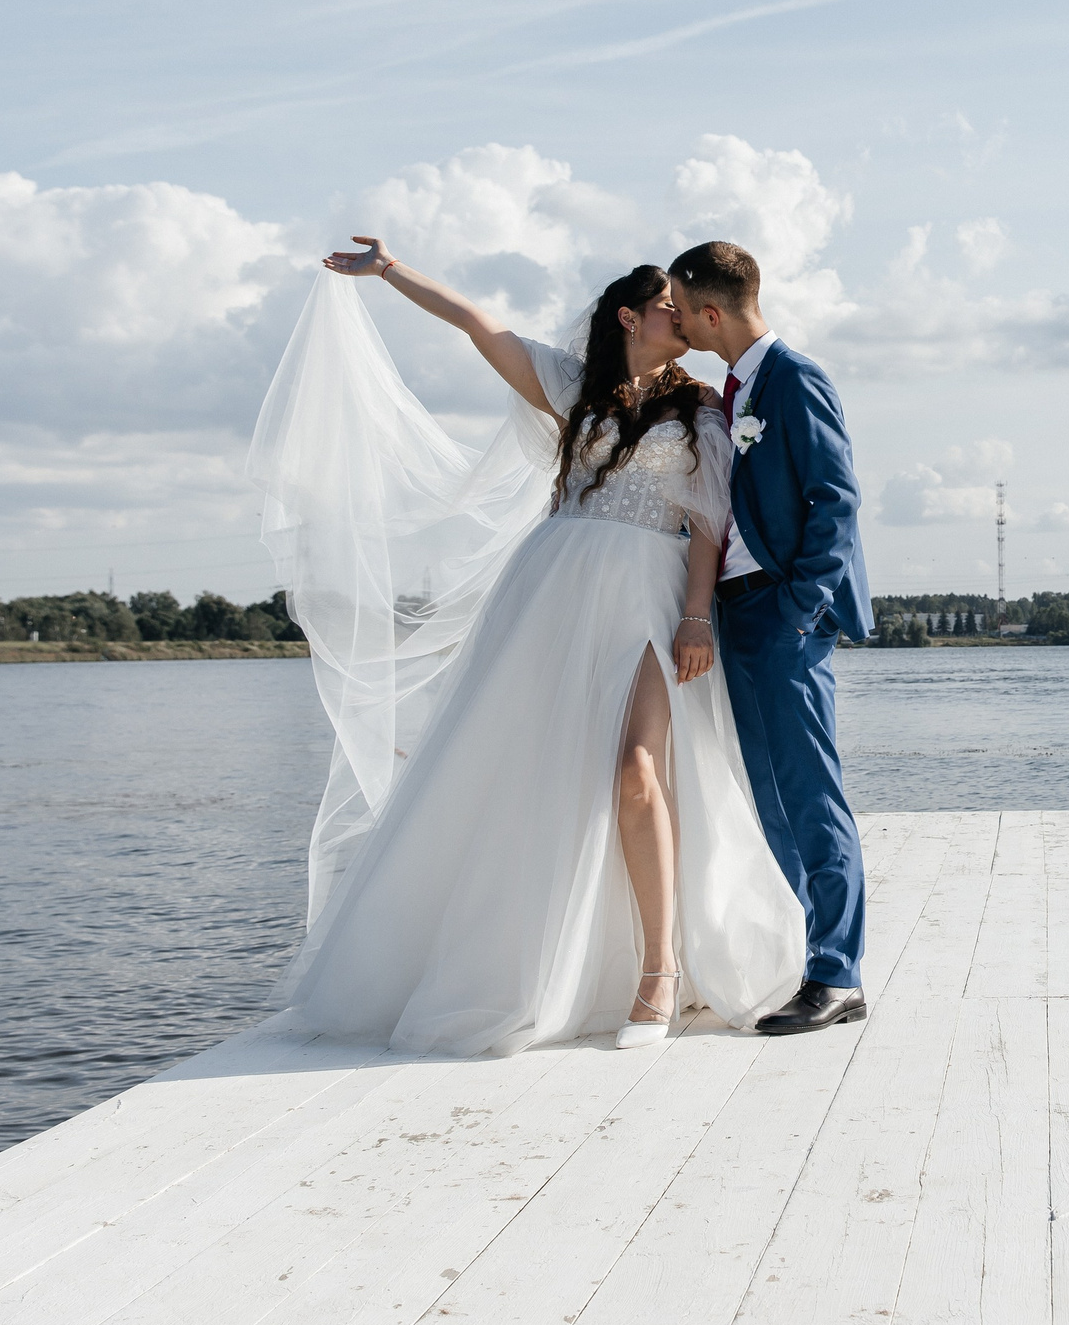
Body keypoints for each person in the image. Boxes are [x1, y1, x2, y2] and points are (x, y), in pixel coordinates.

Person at [246, 241, 806, 1057]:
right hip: (552, 593)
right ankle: (532, 961)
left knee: (636, 773)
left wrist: (693, 619)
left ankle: (661, 970)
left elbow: (706, 529)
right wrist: (394, 271)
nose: (679, 316)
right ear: (629, 316)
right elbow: (479, 324)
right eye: (666, 307)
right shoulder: (575, 387)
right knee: (535, 774)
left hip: (647, 600)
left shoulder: (702, 411)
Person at [667, 241, 875, 1035]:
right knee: (769, 798)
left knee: (811, 792)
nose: (679, 323)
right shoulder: (729, 390)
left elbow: (836, 502)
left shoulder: (794, 379)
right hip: (737, 614)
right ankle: (803, 955)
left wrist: (799, 608)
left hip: (784, 616)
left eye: (683, 311)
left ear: (712, 311)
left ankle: (839, 973)